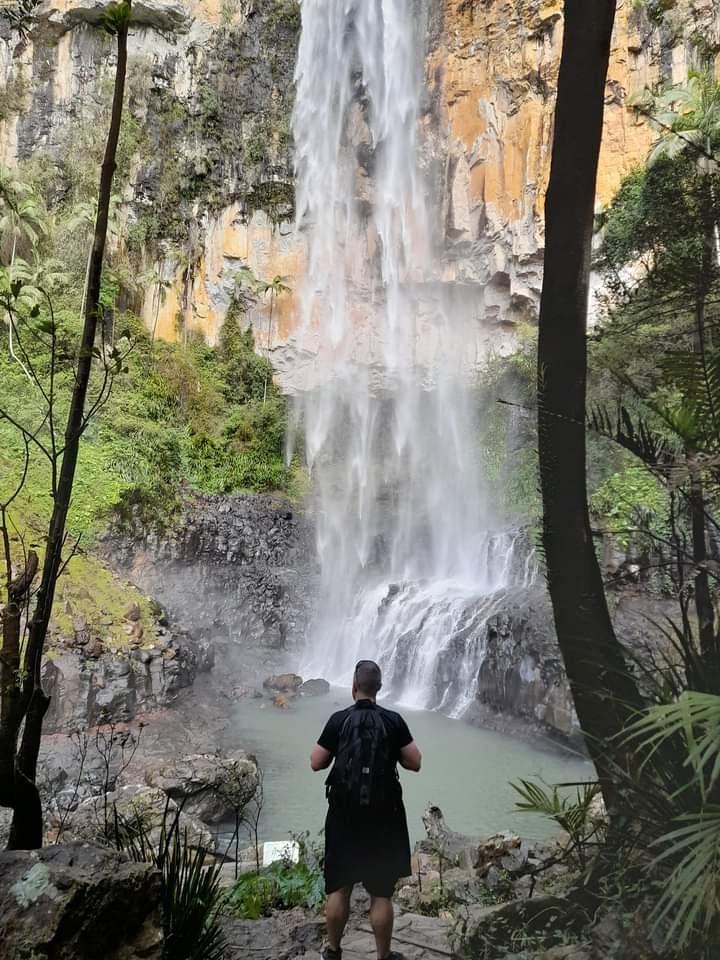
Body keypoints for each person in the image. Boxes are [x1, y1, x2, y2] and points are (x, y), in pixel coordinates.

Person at [310, 660, 422, 960]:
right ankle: (383, 956)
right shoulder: (393, 721)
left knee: (339, 888)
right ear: (380, 689)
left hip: (344, 817)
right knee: (381, 893)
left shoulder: (339, 720)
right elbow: (415, 762)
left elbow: (316, 761)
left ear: (353, 688)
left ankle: (333, 951)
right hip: (384, 819)